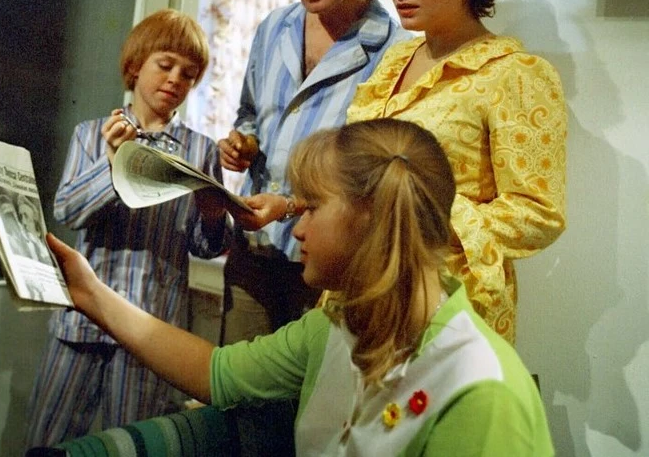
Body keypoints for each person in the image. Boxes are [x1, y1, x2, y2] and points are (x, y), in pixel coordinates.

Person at [46, 118, 554, 456]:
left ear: (370, 217)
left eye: (310, 207)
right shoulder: (333, 328)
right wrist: (90, 293)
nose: (297, 228)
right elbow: (214, 372)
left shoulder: (481, 390)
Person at [244, 0, 567, 344]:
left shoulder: (513, 74)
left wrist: (419, 218)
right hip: (360, 288)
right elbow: (359, 178)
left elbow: (539, 213)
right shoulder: (395, 60)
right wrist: (291, 204)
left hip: (444, 299)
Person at [25, 9, 230, 448]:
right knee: (48, 441)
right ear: (136, 65)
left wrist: (214, 215)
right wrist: (116, 162)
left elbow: (205, 246)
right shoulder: (92, 134)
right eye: (165, 64)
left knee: (132, 444)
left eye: (188, 74)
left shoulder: (200, 149)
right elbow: (69, 210)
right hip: (80, 321)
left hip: (151, 326)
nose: (175, 79)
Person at [217, 0, 409, 344]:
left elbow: (370, 177)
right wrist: (242, 143)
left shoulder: (395, 52)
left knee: (304, 403)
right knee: (237, 395)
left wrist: (288, 206)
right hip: (252, 251)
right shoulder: (274, 28)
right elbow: (250, 113)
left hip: (328, 268)